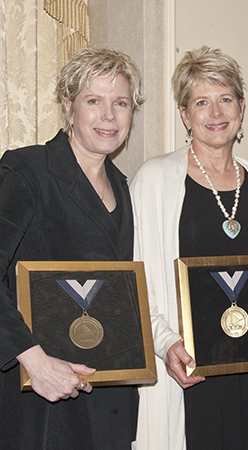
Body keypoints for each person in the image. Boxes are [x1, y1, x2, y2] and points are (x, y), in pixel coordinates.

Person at [131, 46, 248, 450]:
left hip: (247, 361)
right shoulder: (154, 179)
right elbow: (137, 281)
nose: (216, 113)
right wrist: (167, 344)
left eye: (225, 99)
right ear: (185, 114)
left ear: (241, 107)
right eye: (202, 102)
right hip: (186, 363)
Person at [0, 48, 144, 449]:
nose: (109, 116)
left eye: (120, 103)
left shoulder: (124, 186)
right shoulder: (26, 171)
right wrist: (32, 357)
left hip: (106, 397)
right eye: (93, 101)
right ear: (69, 106)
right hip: (39, 395)